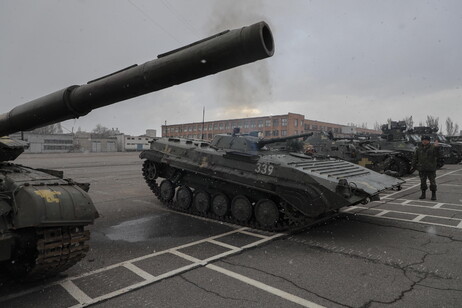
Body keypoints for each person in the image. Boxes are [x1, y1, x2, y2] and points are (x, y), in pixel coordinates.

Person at [412, 135, 440, 200]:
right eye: (423, 140)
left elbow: (438, 155)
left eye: (426, 140)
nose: (424, 141)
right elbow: (415, 157)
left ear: (429, 141)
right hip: (422, 168)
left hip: (431, 168)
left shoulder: (433, 147)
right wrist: (413, 165)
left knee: (432, 182)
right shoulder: (419, 148)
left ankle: (433, 195)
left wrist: (437, 148)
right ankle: (423, 194)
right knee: (423, 182)